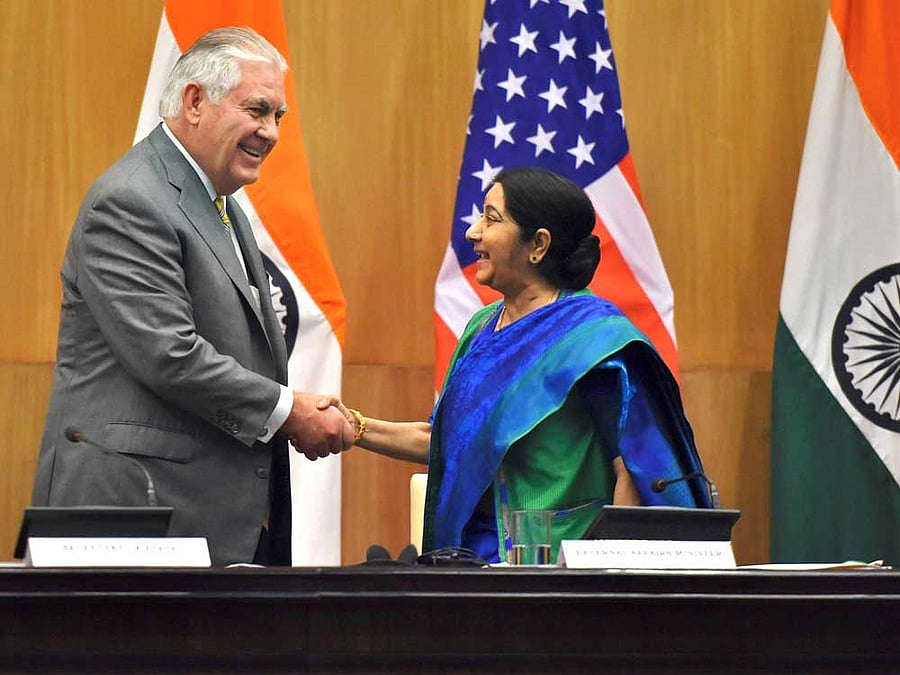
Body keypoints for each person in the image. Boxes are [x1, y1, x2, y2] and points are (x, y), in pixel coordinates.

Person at [30, 27, 354, 567]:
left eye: (279, 116)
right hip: (126, 514)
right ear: (195, 101)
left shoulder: (221, 204)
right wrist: (288, 410)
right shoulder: (132, 199)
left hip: (199, 517)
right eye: (257, 110)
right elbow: (168, 354)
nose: (271, 132)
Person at [342, 167, 711, 564]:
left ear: (538, 244)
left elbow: (634, 473)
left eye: (491, 218)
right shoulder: (480, 328)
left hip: (558, 570)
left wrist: (601, 573)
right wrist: (355, 427)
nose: (473, 232)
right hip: (469, 559)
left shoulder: (594, 340)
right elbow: (446, 441)